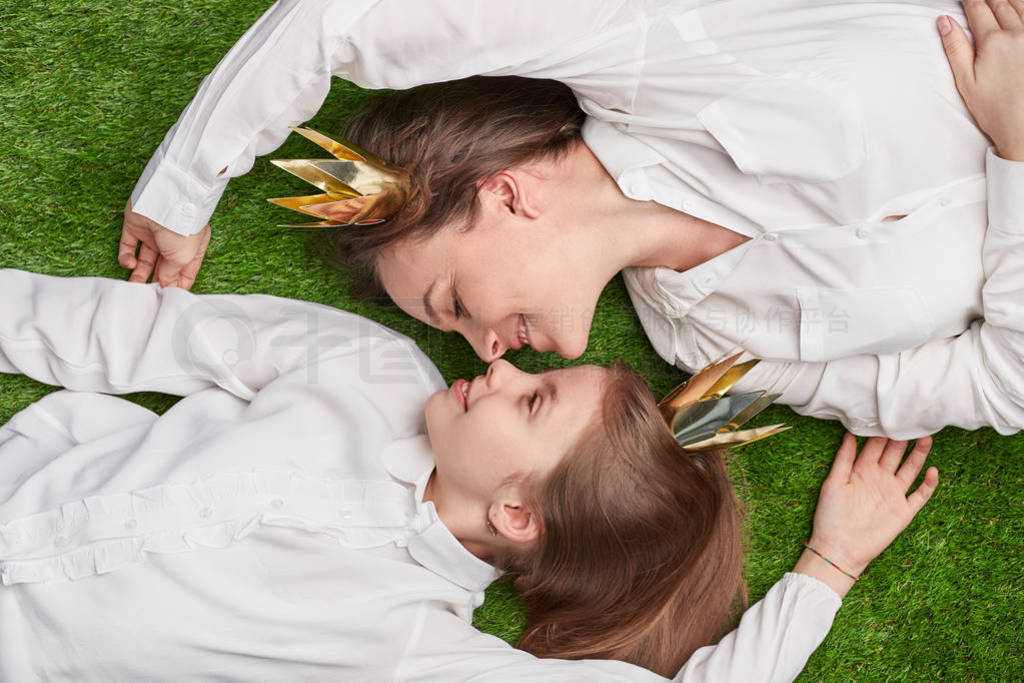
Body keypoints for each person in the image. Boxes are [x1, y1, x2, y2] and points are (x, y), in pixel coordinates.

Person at [118, 0, 1024, 438]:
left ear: (509, 195)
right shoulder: (708, 352)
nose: (484, 348)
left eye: (451, 301)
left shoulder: (650, 51)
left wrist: (183, 194)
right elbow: (1003, 388)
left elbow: (340, 19)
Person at [0, 268, 936, 681]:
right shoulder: (371, 369)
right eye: (537, 376)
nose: (501, 369)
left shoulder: (413, 647)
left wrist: (831, 565)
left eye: (531, 402)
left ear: (519, 512)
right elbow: (140, 334)